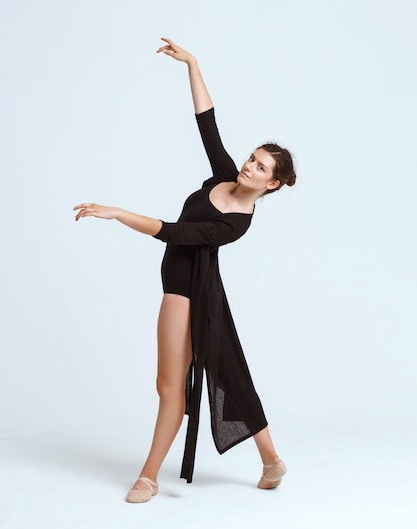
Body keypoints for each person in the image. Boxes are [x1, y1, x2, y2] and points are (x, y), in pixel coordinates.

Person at [74, 38, 296, 504]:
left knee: (170, 385)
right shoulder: (222, 177)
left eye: (259, 167)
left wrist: (117, 213)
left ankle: (149, 476)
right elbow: (207, 124)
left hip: (189, 289)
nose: (248, 165)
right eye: (251, 157)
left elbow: (172, 232)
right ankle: (272, 460)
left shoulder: (234, 224)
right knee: (228, 374)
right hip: (184, 285)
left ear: (272, 184)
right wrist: (193, 64)